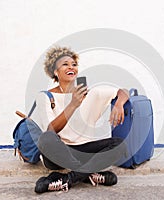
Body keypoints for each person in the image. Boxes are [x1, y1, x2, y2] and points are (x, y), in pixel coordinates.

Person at [31, 46, 129, 193]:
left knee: (119, 145)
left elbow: (123, 91)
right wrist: (73, 104)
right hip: (58, 153)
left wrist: (119, 104)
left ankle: (68, 178)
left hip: (85, 152)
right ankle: (88, 173)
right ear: (55, 72)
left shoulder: (92, 94)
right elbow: (51, 130)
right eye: (65, 64)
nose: (71, 67)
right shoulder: (45, 97)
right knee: (46, 138)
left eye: (74, 64)